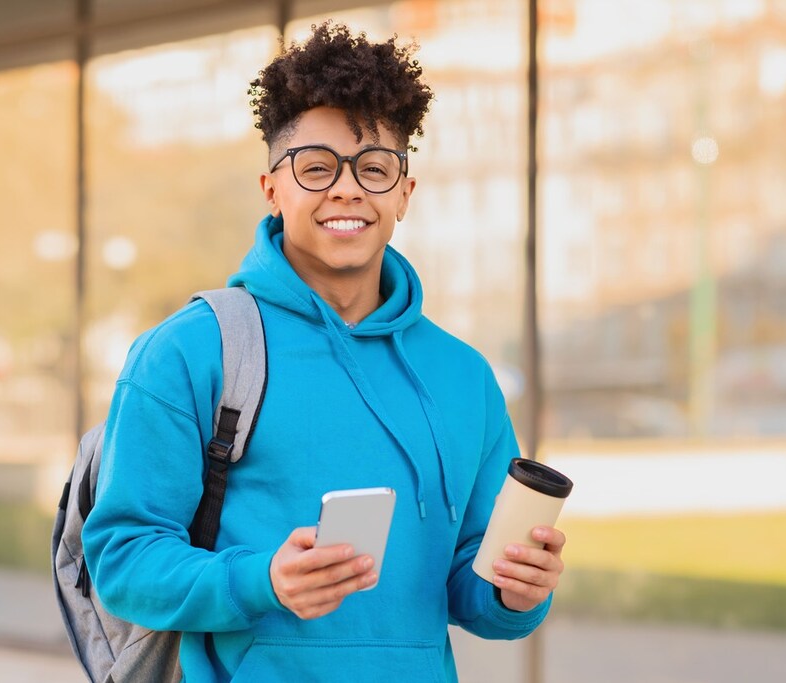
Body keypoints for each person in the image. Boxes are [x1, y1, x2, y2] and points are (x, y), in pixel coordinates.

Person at [83, 21, 566, 682]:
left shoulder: (465, 377)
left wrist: (518, 589)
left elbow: (472, 591)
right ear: (272, 189)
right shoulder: (191, 351)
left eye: (374, 168)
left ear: (404, 193)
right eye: (316, 167)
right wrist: (262, 580)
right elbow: (122, 559)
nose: (346, 189)